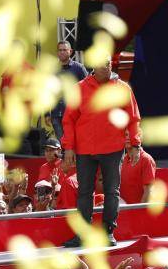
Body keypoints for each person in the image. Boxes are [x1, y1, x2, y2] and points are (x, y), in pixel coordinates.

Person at [61, 56, 142, 247]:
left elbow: (133, 118)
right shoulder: (80, 88)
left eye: (108, 64)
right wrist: (69, 147)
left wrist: (135, 145)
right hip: (84, 148)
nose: (106, 67)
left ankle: (108, 232)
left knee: (112, 191)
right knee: (84, 192)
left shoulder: (122, 88)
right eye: (101, 64)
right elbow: (68, 120)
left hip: (113, 148)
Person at [51, 41, 88, 139]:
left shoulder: (79, 68)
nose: (62, 52)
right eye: (60, 50)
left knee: (75, 143)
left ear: (70, 51)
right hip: (56, 114)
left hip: (74, 114)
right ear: (57, 52)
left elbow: (88, 89)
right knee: (62, 145)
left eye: (64, 50)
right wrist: (47, 114)